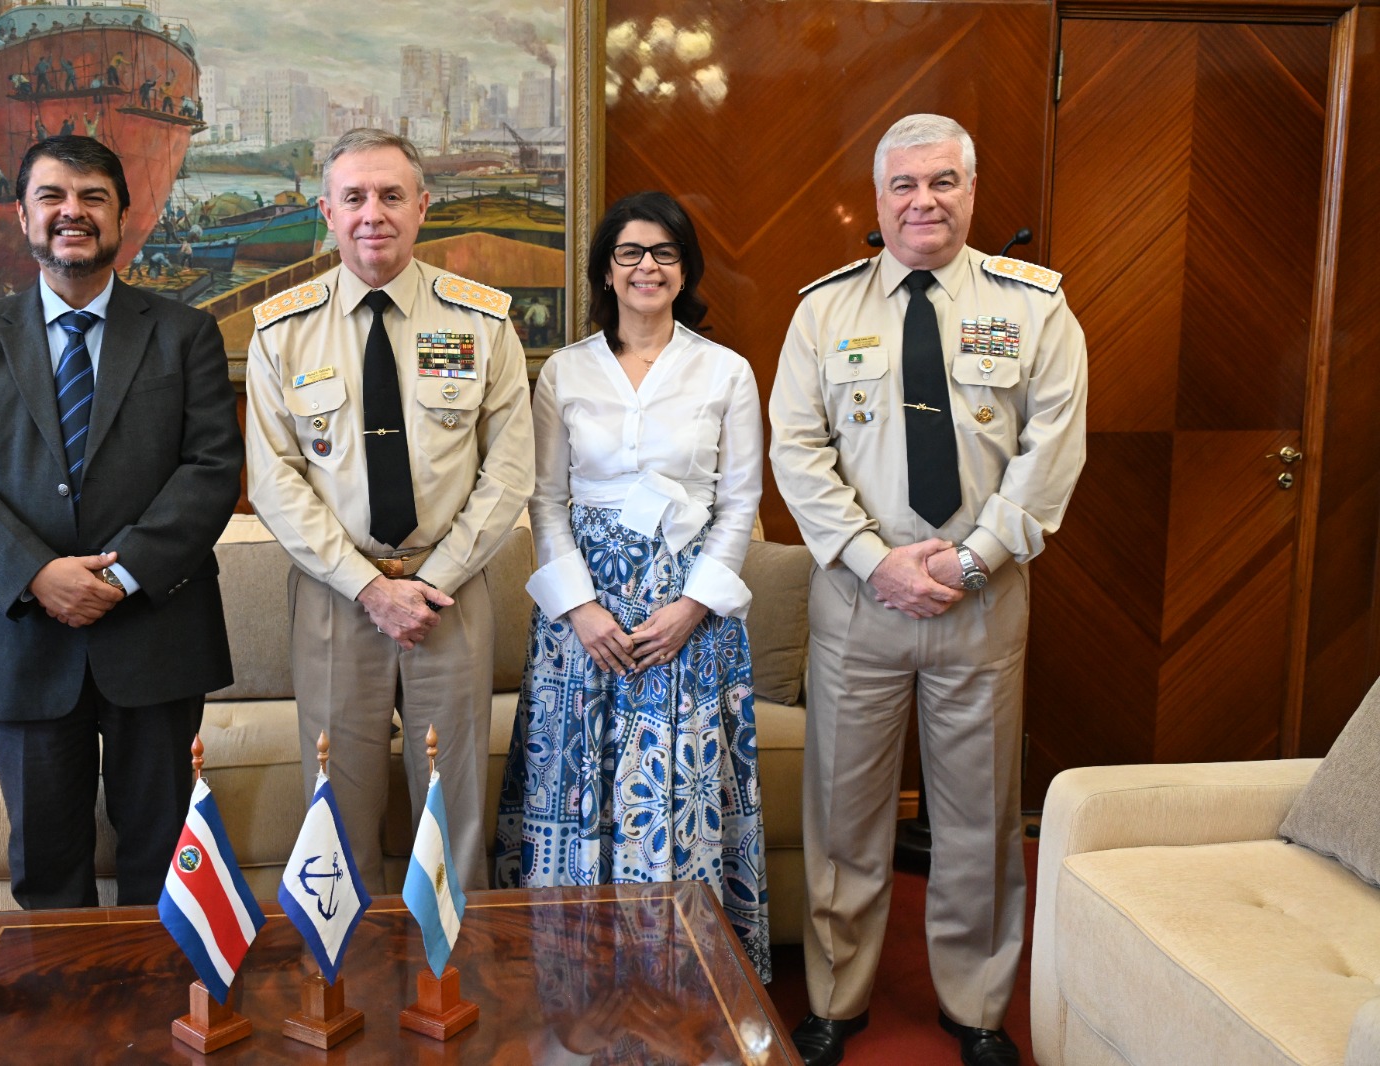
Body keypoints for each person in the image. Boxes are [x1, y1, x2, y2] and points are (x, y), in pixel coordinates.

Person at [769, 114, 1087, 1066]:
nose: (924, 201)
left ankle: (979, 1006)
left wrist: (975, 559)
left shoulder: (1034, 308)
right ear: (877, 200)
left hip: (980, 600)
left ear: (972, 192)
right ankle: (835, 996)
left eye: (943, 181)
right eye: (904, 184)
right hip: (860, 601)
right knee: (843, 811)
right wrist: (876, 563)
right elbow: (798, 449)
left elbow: (1052, 450)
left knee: (980, 817)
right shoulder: (824, 311)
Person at [0, 135, 244, 911]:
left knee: (164, 853)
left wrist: (121, 574)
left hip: (156, 631)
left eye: (94, 197)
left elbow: (210, 472)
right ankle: (63, 1024)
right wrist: (38, 573)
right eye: (54, 196)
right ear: (22, 214)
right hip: (22, 635)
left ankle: (163, 1017)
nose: (73, 213)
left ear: (124, 216)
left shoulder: (184, 334)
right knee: (47, 856)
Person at [245, 128, 534, 893]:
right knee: (337, 806)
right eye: (355, 197)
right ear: (328, 212)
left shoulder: (480, 321)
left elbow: (509, 468)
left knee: (455, 801)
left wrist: (432, 581)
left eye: (392, 195)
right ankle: (350, 984)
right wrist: (369, 588)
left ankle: (454, 981)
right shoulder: (283, 332)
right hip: (338, 600)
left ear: (422, 207)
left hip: (450, 594)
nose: (373, 213)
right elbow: (274, 479)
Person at [493, 191, 770, 980]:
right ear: (606, 271)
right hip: (583, 623)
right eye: (630, 253)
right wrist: (579, 609)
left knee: (671, 798)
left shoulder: (726, 372)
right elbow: (544, 501)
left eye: (664, 253)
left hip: (688, 619)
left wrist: (691, 608)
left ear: (685, 270)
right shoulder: (564, 372)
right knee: (578, 789)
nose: (647, 267)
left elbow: (740, 502)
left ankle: (681, 977)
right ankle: (574, 975)